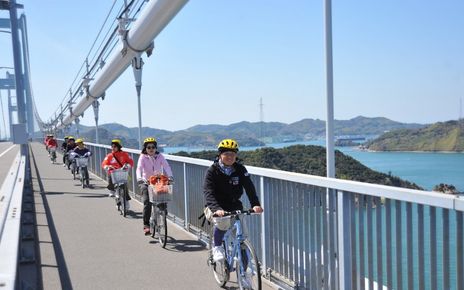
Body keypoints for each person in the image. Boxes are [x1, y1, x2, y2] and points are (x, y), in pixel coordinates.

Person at [203, 138, 263, 262]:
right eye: (226, 154)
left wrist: (255, 204)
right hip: (215, 206)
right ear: (220, 154)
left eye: (233, 154)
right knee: (223, 223)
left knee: (242, 236)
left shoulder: (240, 169)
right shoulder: (212, 171)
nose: (230, 157)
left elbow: (249, 187)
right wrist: (216, 209)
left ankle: (245, 274)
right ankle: (217, 247)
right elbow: (208, 192)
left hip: (234, 205)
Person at [136, 137, 173, 235]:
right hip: (146, 181)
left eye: (153, 147)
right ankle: (146, 225)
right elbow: (139, 168)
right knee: (147, 202)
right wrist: (139, 178)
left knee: (164, 197)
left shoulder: (159, 156)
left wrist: (170, 176)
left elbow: (166, 166)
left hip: (158, 181)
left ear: (156, 148)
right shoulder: (143, 157)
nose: (151, 149)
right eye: (148, 147)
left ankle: (163, 212)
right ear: (145, 148)